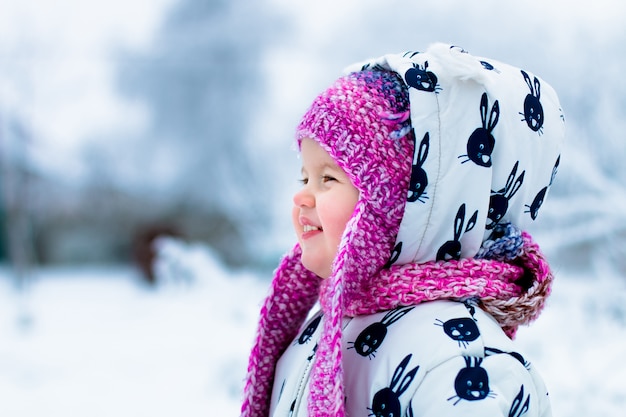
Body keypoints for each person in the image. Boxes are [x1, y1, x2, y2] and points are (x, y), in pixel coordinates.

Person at [241, 43, 565, 417]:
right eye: (304, 176)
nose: (301, 195)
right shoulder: (322, 331)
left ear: (409, 208)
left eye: (327, 179)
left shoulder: (463, 366)